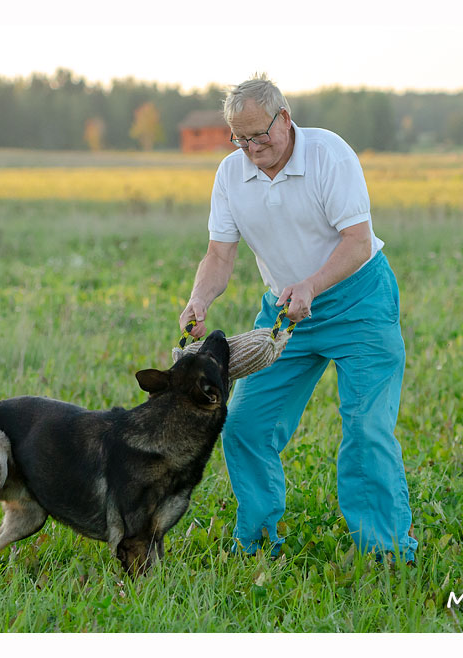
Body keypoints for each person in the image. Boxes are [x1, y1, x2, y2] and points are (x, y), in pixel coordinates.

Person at [179, 74, 417, 563]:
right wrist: (199, 299)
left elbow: (357, 242)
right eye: (239, 139)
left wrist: (312, 284)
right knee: (244, 426)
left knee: (367, 429)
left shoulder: (329, 155)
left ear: (284, 118)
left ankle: (386, 554)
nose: (251, 148)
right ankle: (258, 542)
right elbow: (220, 255)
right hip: (284, 315)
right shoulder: (231, 175)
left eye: (259, 134)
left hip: (359, 303)